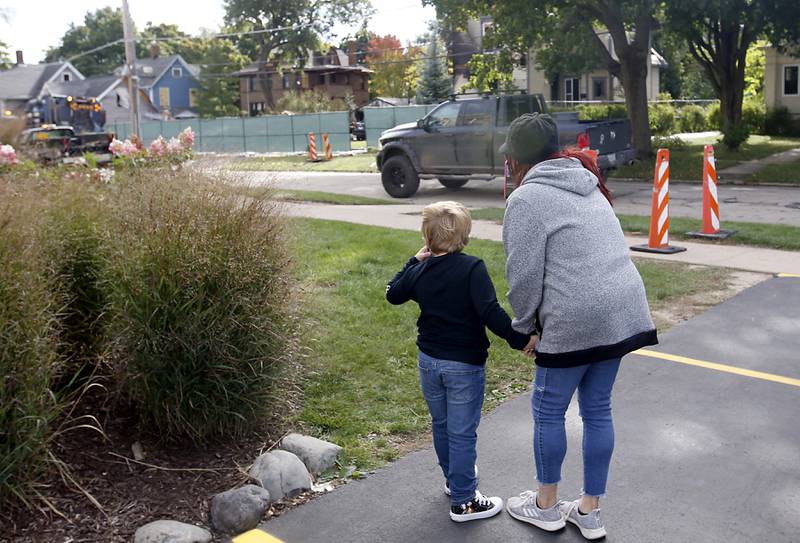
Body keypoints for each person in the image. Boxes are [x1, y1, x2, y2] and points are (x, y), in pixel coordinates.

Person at [500, 114, 658, 540]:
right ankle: (589, 511)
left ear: (515, 158)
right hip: (621, 310)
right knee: (597, 409)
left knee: (549, 411)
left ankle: (546, 506)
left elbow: (523, 276)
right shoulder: (588, 182)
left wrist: (524, 326)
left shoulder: (528, 199)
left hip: (576, 316)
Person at [386, 201, 537, 523]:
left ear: (426, 236)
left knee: (442, 425)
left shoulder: (420, 270)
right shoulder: (472, 268)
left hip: (429, 362)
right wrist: (523, 340)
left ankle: (454, 480)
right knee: (462, 433)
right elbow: (490, 313)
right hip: (463, 366)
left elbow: (393, 293)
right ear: (465, 235)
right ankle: (465, 501)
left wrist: (413, 260)